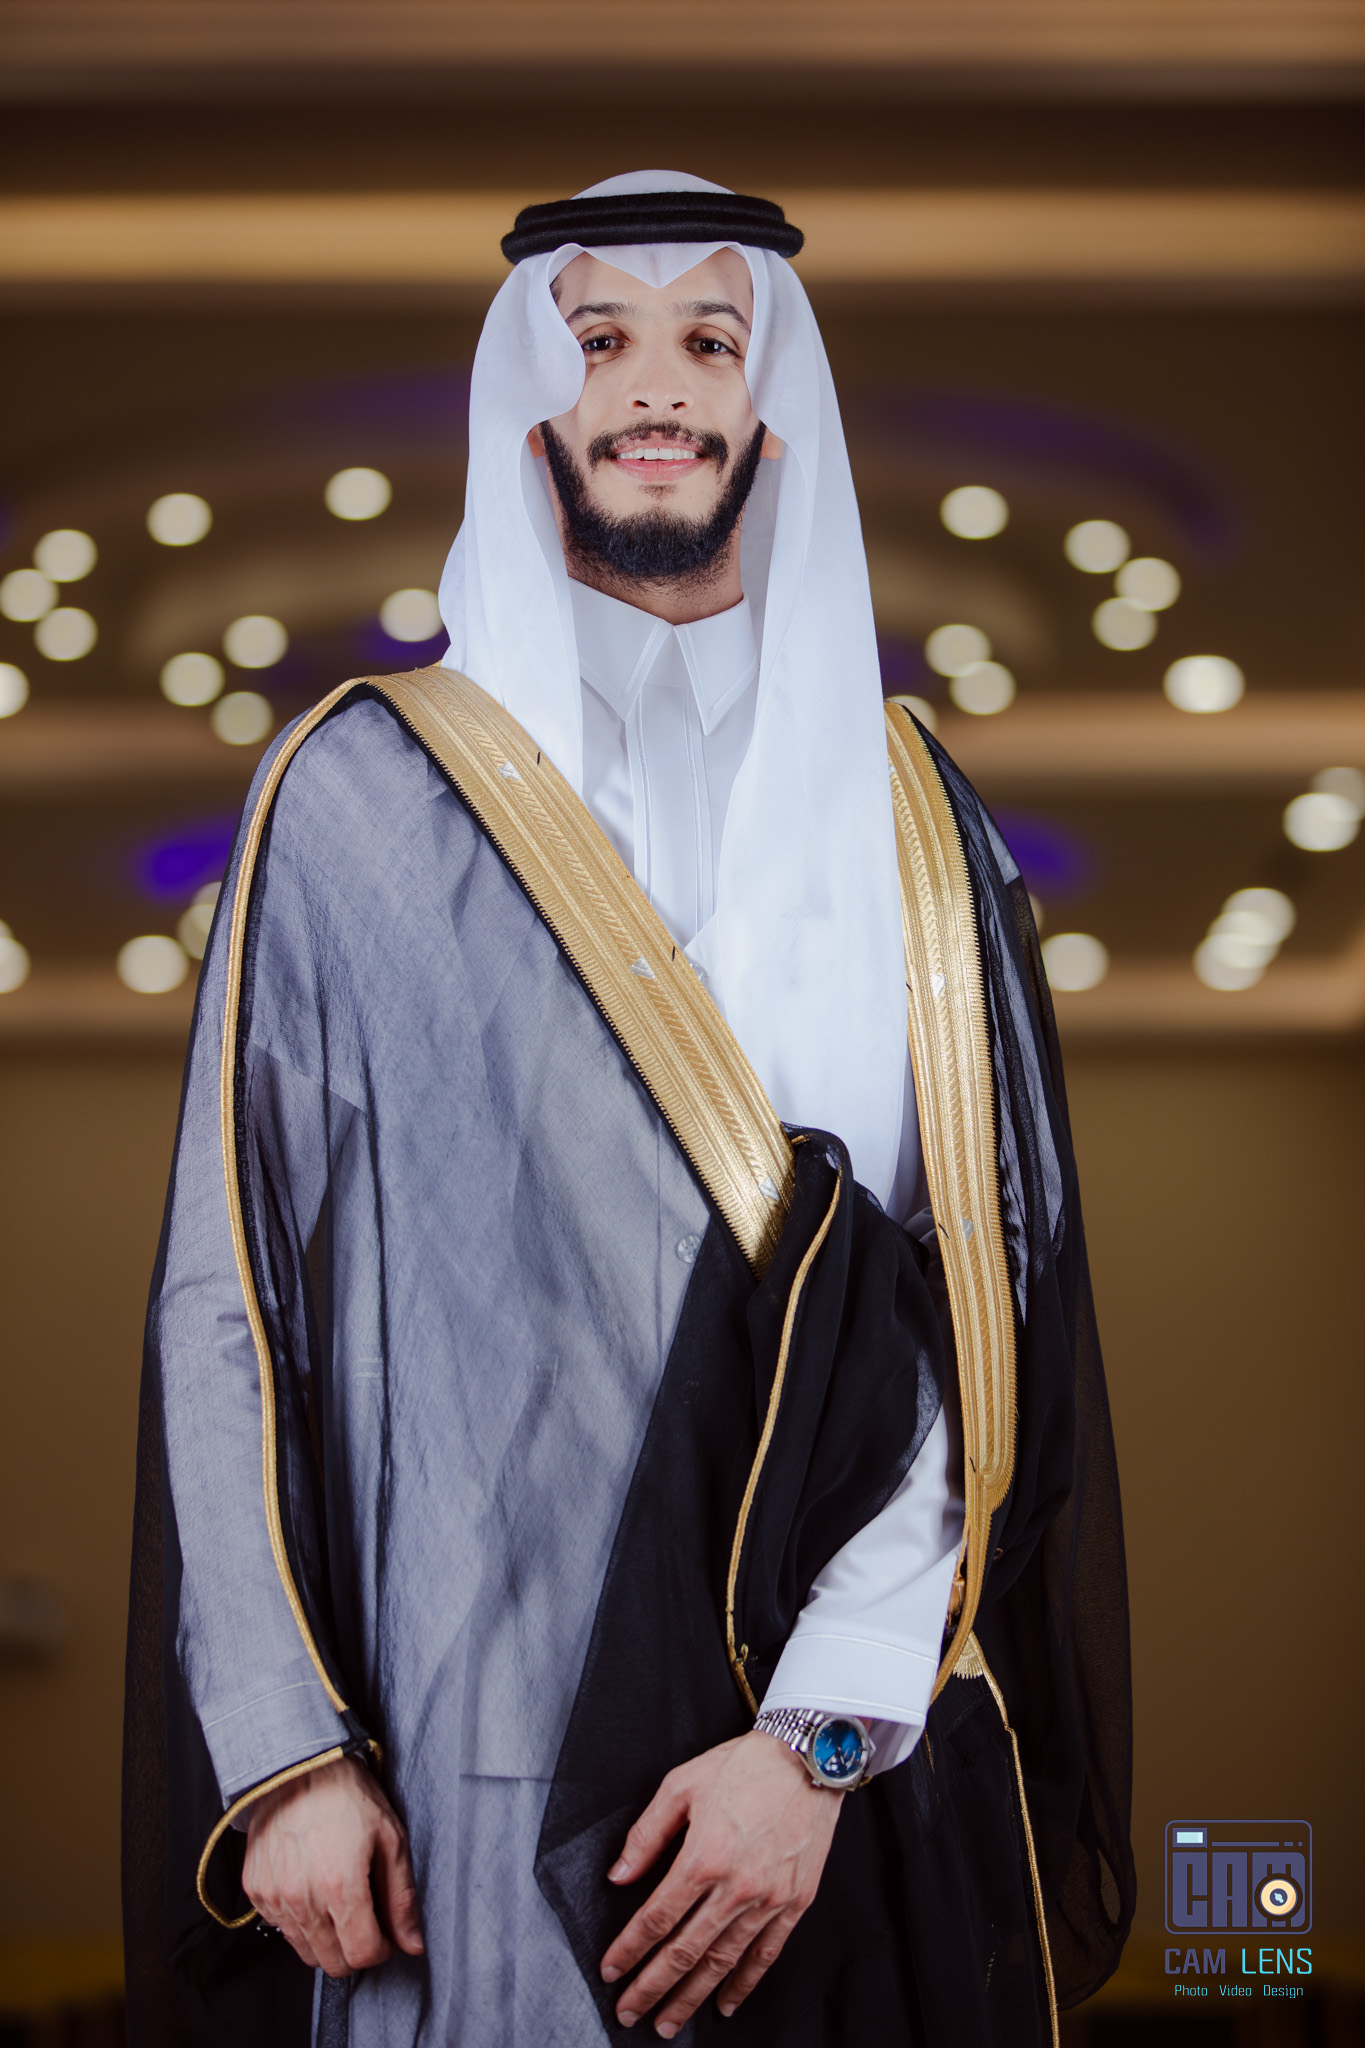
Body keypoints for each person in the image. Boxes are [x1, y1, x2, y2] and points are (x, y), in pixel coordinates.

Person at [123, 172, 1134, 2048]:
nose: (652, 384)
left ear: (772, 402)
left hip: (838, 1785)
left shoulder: (920, 829)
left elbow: (978, 1322)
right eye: (598, 339)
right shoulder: (356, 801)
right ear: (532, 395)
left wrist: (818, 1738)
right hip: (452, 1770)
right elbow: (227, 1298)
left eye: (705, 341)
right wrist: (283, 1752)